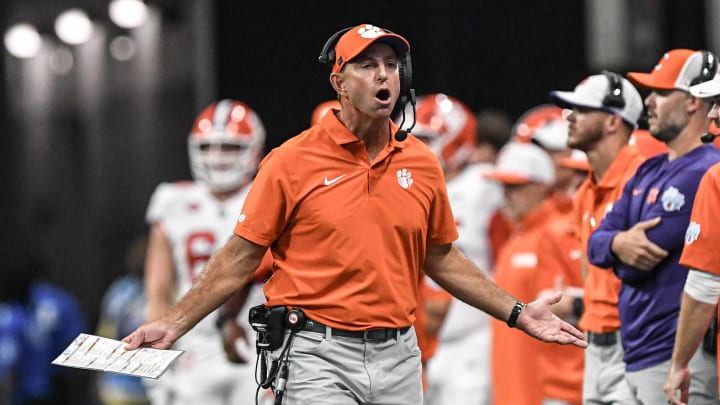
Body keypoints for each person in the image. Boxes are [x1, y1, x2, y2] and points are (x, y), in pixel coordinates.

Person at [124, 23, 587, 405]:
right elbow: (240, 257)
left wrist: (518, 312)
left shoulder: (422, 161)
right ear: (339, 82)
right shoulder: (290, 162)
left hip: (400, 355)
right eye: (367, 65)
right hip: (315, 353)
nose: (383, 75)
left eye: (390, 65)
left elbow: (442, 257)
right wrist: (173, 321)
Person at [587, 49, 720, 404]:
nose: (649, 101)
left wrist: (613, 246)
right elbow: (595, 244)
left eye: (661, 92)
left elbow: (634, 267)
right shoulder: (649, 168)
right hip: (637, 350)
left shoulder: (705, 169)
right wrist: (617, 244)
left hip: (677, 352)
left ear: (693, 102)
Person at [141, 99, 270, 405]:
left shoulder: (269, 193)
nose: (219, 157)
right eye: (210, 146)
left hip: (258, 342)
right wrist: (154, 364)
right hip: (194, 346)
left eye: (230, 147)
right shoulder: (173, 201)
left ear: (254, 148)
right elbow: (158, 292)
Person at [548, 71, 646, 404]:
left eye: (583, 110)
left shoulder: (644, 181)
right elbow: (593, 278)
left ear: (612, 123)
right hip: (595, 345)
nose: (571, 117)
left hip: (637, 344)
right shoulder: (584, 192)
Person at [404, 93, 503, 405]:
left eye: (425, 137)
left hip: (469, 341)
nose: (414, 145)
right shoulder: (398, 189)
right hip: (413, 344)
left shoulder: (485, 187)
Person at [665, 67, 720, 405]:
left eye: (719, 103)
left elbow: (705, 285)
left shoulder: (717, 179)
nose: (712, 114)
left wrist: (679, 363)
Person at [0, 237, 89, 404]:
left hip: (48, 392)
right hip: (35, 392)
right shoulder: (11, 312)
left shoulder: (55, 305)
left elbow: (79, 356)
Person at [95, 236, 151, 405]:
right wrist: (98, 379)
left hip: (153, 387)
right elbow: (104, 337)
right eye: (136, 255)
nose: (139, 259)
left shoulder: (165, 291)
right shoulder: (120, 291)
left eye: (144, 255)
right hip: (119, 387)